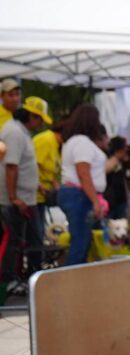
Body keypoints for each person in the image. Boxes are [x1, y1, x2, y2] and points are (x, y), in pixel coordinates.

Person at [0, 97, 51, 284]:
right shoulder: (14, 132)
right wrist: (14, 197)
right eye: (39, 119)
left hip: (26, 198)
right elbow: (11, 166)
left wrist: (37, 184)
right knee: (14, 244)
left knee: (25, 242)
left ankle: (24, 279)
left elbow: (22, 165)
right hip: (16, 201)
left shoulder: (21, 132)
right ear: (31, 116)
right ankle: (9, 281)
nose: (40, 124)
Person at [58, 104, 109, 266]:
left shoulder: (73, 141)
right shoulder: (82, 142)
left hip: (76, 194)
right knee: (80, 243)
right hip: (80, 196)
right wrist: (95, 200)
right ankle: (70, 281)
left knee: (82, 241)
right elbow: (83, 173)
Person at [34, 122, 64, 231]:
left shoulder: (56, 144)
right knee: (36, 231)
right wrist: (39, 185)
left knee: (41, 229)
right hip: (34, 194)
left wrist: (57, 186)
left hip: (42, 195)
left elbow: (51, 170)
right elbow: (32, 166)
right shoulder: (46, 140)